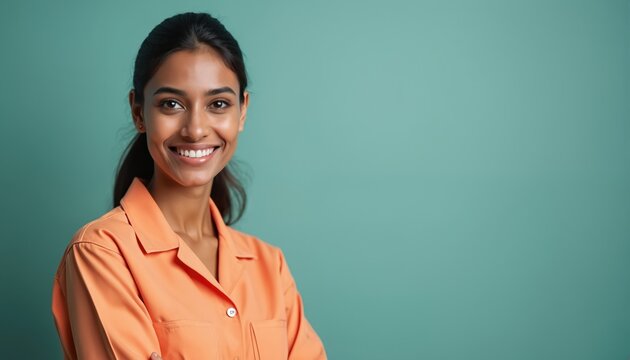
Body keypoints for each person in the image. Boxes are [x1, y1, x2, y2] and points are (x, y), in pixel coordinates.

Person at [51, 12, 326, 360]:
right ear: (139, 112)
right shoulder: (102, 254)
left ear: (242, 112)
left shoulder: (269, 265)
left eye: (218, 104)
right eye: (172, 104)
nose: (195, 129)